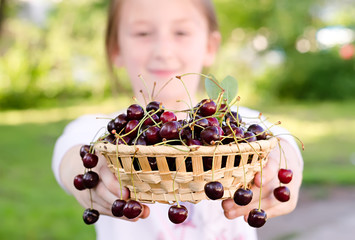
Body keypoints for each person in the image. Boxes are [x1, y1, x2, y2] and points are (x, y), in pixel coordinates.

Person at [52, 0, 303, 239]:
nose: (163, 50)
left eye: (181, 32)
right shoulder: (105, 134)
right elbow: (70, 155)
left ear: (210, 47)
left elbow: (282, 144)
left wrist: (281, 171)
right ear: (115, 49)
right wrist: (91, 175)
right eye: (142, 33)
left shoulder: (233, 125)